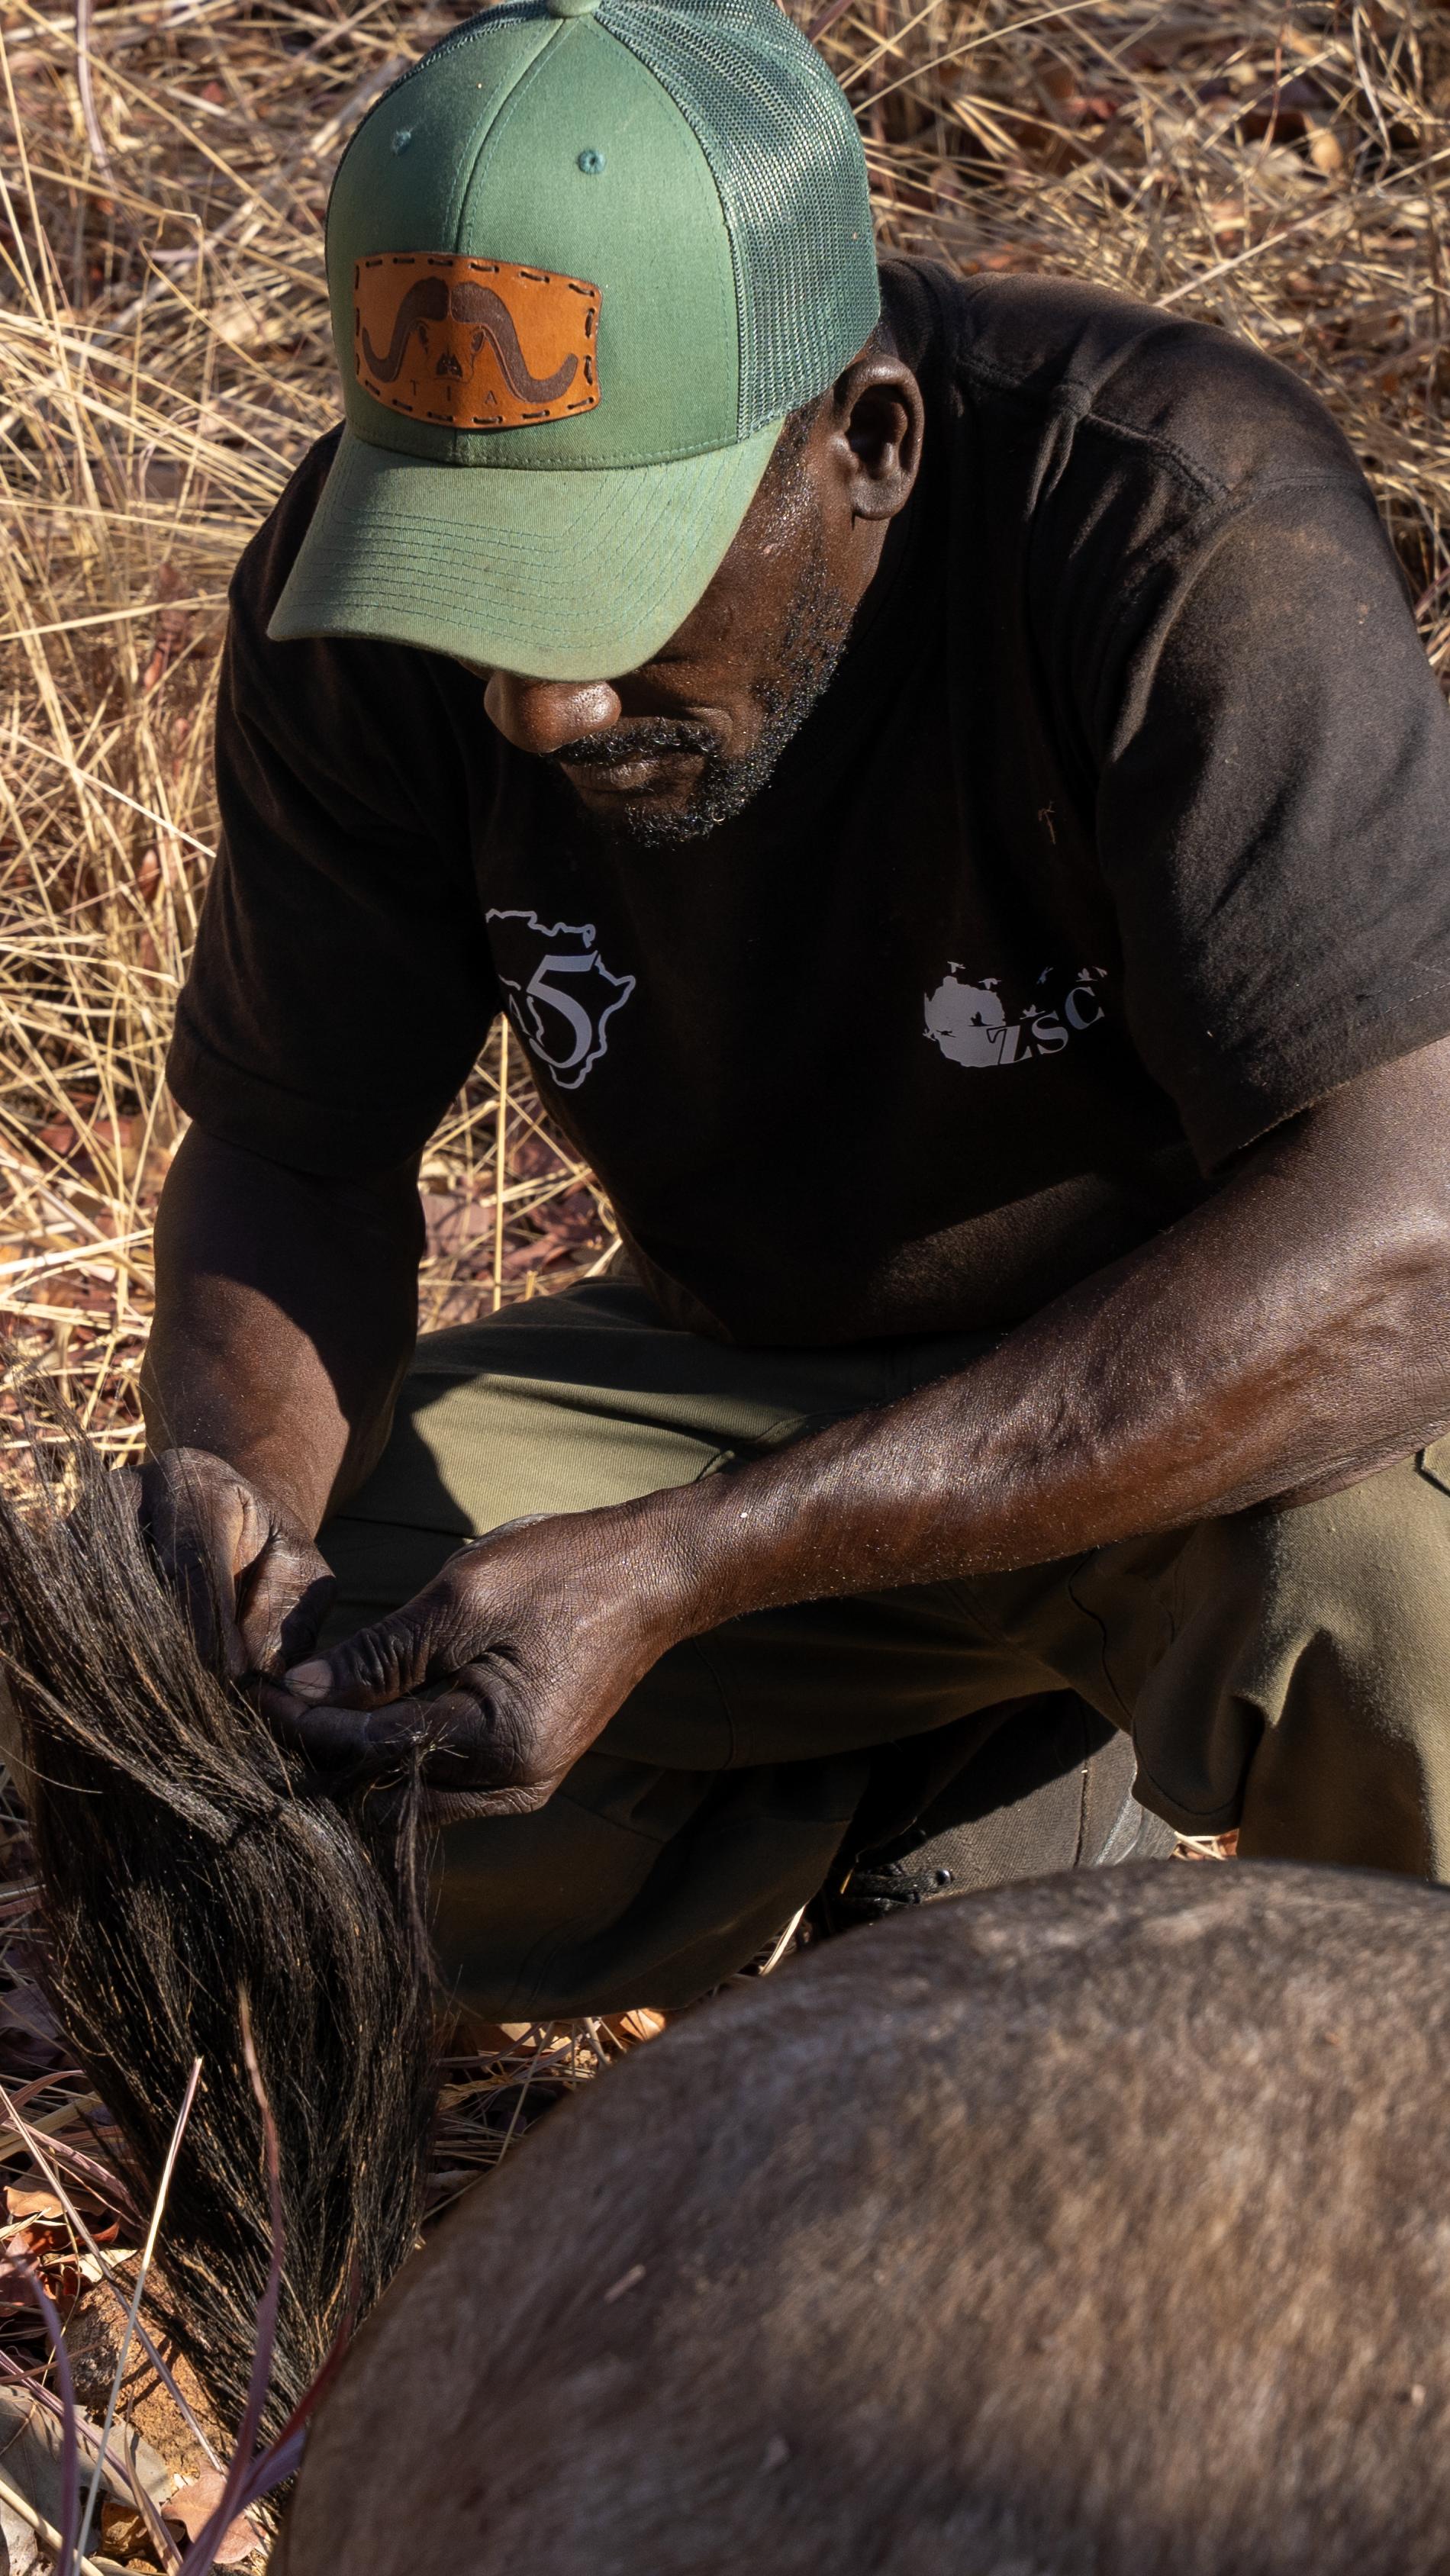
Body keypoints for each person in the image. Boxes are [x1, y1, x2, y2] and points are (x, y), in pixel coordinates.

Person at [143, 0, 1450, 2020]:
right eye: (477, 586)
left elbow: (1403, 1234)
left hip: (1228, 1395)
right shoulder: (357, 609)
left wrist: (690, 1567)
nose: (539, 705)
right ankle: (933, 1827)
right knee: (259, 1755)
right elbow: (291, 1148)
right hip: (763, 1380)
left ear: (869, 440)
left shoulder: (1175, 522)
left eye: (610, 584)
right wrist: (237, 1526)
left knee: (1401, 1616)